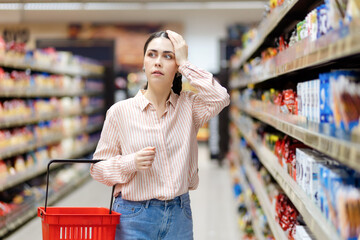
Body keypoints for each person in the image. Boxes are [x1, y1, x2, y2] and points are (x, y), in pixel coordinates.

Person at [90, 30, 230, 240]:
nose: (158, 62)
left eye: (168, 56)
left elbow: (220, 97)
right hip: (133, 215)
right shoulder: (120, 112)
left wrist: (185, 63)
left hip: (179, 213)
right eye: (152, 55)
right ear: (143, 63)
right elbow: (98, 168)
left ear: (176, 67)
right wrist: (131, 163)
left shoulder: (189, 106)